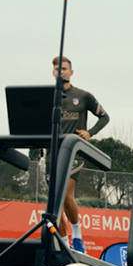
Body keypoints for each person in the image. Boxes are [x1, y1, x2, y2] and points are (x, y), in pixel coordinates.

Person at [52, 56, 109, 252]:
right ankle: (64, 245)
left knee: (63, 194)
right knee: (54, 203)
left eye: (65, 69)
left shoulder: (83, 96)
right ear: (53, 73)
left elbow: (104, 117)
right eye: (58, 69)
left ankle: (77, 235)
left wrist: (89, 132)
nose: (61, 72)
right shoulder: (48, 96)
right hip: (52, 153)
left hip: (74, 152)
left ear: (71, 72)